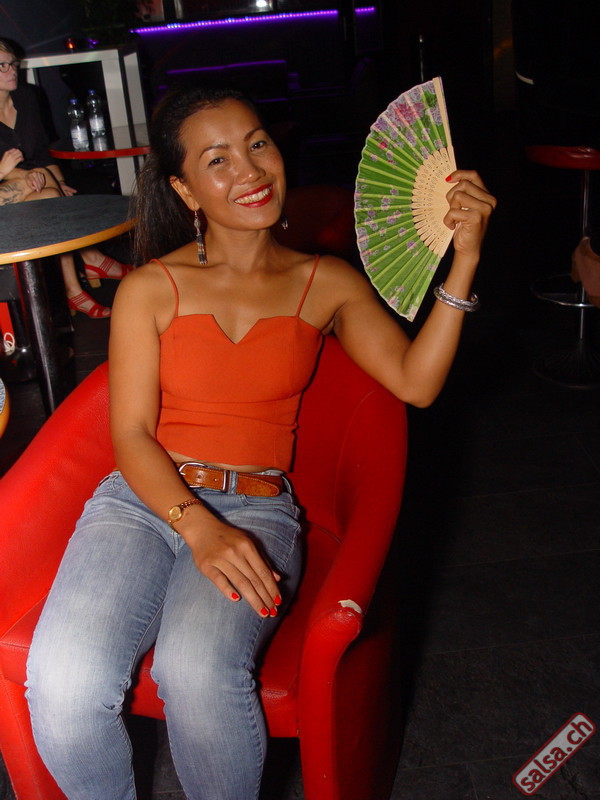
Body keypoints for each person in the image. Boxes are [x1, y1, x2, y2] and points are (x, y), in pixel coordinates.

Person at [25, 83, 496, 800]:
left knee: (196, 672)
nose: (249, 170)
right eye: (217, 160)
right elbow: (130, 434)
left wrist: (464, 258)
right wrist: (197, 527)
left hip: (255, 508)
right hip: (140, 503)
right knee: (62, 681)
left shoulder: (324, 281)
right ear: (185, 189)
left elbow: (416, 382)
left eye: (257, 144)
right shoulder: (151, 287)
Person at [0, 38, 133, 318]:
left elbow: (42, 152)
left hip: (38, 182)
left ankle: (74, 289)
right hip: (12, 189)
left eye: (13, 64)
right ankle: (91, 261)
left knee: (53, 198)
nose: (12, 70)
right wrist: (20, 173)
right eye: (2, 66)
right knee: (46, 189)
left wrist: (58, 184)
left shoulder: (27, 97)